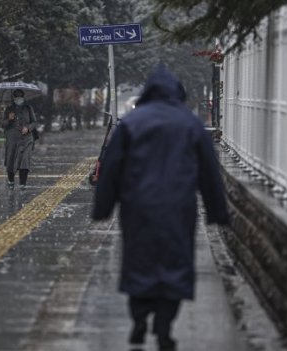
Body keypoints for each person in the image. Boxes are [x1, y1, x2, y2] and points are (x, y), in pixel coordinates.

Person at [91, 65, 230, 351]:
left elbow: (111, 169)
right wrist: (218, 211)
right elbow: (209, 173)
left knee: (139, 261)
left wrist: (102, 208)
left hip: (137, 208)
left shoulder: (131, 124)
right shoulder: (190, 125)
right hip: (178, 208)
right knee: (174, 264)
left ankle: (139, 321)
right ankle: (164, 327)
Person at [1, 89, 38, 190]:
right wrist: (9, 119)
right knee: (11, 159)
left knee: (25, 160)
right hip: (12, 139)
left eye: (20, 96)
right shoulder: (9, 109)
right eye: (16, 96)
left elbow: (34, 122)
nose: (18, 98)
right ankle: (11, 181)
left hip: (27, 139)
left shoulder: (28, 108)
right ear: (13, 97)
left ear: (23, 96)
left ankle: (23, 183)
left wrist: (28, 128)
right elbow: (3, 124)